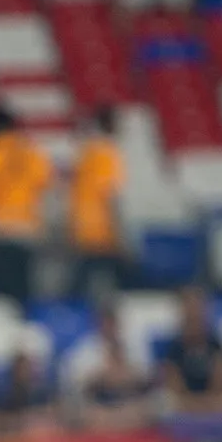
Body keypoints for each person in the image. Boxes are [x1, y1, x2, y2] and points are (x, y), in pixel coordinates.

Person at [0, 106, 52, 308]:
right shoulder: (31, 150)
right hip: (29, 227)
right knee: (25, 285)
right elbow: (44, 182)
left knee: (4, 288)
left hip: (2, 227)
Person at [69, 108, 127, 301]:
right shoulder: (107, 153)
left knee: (82, 284)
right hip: (102, 229)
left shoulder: (85, 152)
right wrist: (118, 233)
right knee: (111, 286)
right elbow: (109, 195)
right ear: (109, 124)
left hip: (81, 226)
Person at [161, 287, 222, 416]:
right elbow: (174, 389)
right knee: (165, 403)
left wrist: (208, 403)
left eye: (197, 312)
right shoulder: (173, 350)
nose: (194, 314)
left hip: (213, 400)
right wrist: (198, 404)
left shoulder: (216, 346)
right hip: (187, 402)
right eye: (190, 314)